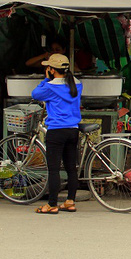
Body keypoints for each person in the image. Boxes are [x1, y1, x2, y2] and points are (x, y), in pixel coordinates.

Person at [31, 54, 83, 214]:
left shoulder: (50, 87)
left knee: (53, 169)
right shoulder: (77, 84)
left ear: (52, 70)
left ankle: (52, 204)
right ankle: (70, 201)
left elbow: (35, 94)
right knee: (70, 168)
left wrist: (46, 79)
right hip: (73, 130)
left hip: (56, 130)